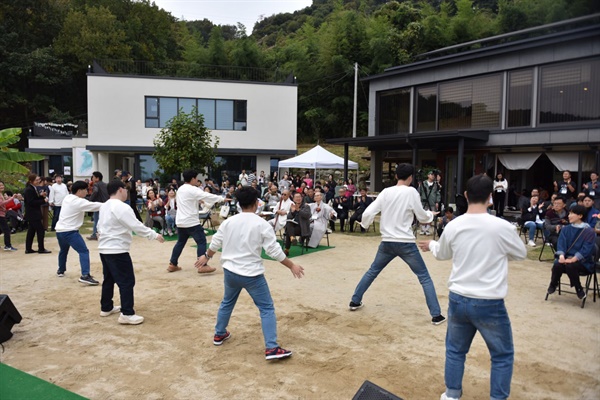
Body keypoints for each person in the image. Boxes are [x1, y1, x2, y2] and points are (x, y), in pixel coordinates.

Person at [418, 174, 527, 400]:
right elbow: (520, 253)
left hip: (458, 298)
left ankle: (451, 394)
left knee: (456, 351)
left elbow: (443, 254)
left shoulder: (454, 224)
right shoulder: (502, 227)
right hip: (489, 301)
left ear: (466, 196)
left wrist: (432, 245)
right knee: (502, 355)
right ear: (490, 197)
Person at [195, 186, 304, 360]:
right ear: (256, 203)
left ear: (239, 203)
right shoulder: (261, 223)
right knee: (266, 308)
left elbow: (216, 242)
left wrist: (206, 257)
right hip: (252, 274)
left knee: (227, 302)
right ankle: (272, 347)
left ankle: (219, 333)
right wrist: (291, 265)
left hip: (230, 272)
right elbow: (273, 251)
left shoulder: (229, 221)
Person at [348, 163, 446, 325]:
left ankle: (355, 301)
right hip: (405, 243)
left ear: (396, 176)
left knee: (373, 271)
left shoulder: (386, 192)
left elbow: (368, 212)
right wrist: (430, 215)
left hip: (387, 242)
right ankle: (436, 315)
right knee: (424, 277)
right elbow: (421, 216)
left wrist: (365, 224)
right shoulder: (411, 192)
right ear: (411, 177)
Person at [98, 180, 164, 325]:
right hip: (117, 249)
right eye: (126, 189)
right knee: (126, 281)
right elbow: (136, 226)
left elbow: (99, 225)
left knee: (109, 278)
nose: (127, 192)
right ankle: (127, 313)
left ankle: (106, 307)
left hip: (104, 248)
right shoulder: (122, 207)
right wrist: (154, 235)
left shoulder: (105, 206)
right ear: (120, 190)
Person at [167, 169, 224, 273]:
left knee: (180, 242)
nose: (197, 180)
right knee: (201, 241)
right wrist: (221, 198)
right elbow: (207, 196)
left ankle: (172, 264)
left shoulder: (180, 189)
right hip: (191, 221)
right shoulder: (192, 189)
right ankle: (203, 265)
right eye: (196, 178)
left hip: (180, 221)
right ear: (192, 178)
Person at [55, 181, 103, 284]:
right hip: (70, 232)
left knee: (63, 250)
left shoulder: (68, 198)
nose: (87, 192)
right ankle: (85, 275)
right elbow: (94, 206)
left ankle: (61, 270)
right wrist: (110, 203)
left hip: (60, 231)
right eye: (86, 190)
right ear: (80, 190)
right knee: (83, 251)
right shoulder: (78, 202)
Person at [547, 205, 596, 300]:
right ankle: (553, 284)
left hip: (583, 261)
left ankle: (578, 288)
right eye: (569, 213)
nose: (569, 215)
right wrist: (561, 256)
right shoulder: (565, 229)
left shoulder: (588, 231)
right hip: (566, 258)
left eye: (572, 213)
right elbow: (561, 244)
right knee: (557, 264)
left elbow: (587, 249)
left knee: (571, 266)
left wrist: (574, 259)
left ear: (580, 216)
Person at [23, 174, 51, 254]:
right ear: (31, 181)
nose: (38, 181)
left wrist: (41, 196)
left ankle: (28, 249)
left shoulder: (33, 188)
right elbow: (31, 202)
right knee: (40, 230)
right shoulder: (29, 189)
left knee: (31, 231)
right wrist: (43, 201)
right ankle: (41, 248)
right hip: (33, 214)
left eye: (38, 179)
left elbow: (34, 199)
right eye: (36, 180)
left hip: (34, 213)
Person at [88, 171, 109, 240]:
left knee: (96, 220)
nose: (92, 178)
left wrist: (90, 199)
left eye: (93, 177)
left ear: (97, 178)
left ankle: (94, 234)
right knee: (105, 220)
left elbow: (95, 192)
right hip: (106, 204)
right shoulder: (106, 184)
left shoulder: (96, 184)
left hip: (98, 204)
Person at [0, 181, 18, 251]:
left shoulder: (1, 194)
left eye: (2, 185)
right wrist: (11, 198)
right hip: (0, 215)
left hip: (2, 214)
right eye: (0, 185)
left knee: (1, 230)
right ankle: (8, 245)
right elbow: (1, 203)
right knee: (7, 230)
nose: (2, 187)